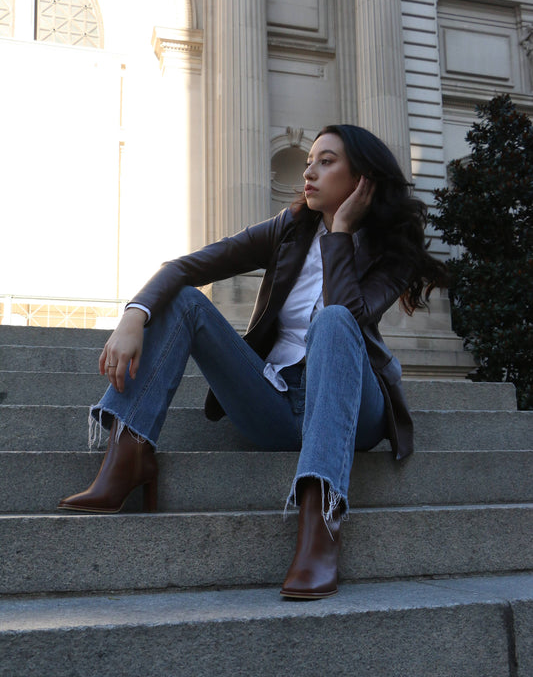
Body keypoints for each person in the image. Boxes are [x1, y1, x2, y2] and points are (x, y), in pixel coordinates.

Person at [58, 124, 447, 599]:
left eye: (327, 162)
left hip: (351, 408)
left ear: (362, 179)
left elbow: (352, 316)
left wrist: (341, 232)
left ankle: (320, 524)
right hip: (276, 403)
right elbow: (186, 266)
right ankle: (128, 454)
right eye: (308, 161)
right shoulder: (289, 228)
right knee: (182, 299)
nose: (309, 172)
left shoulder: (391, 254)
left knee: (332, 321)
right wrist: (132, 317)